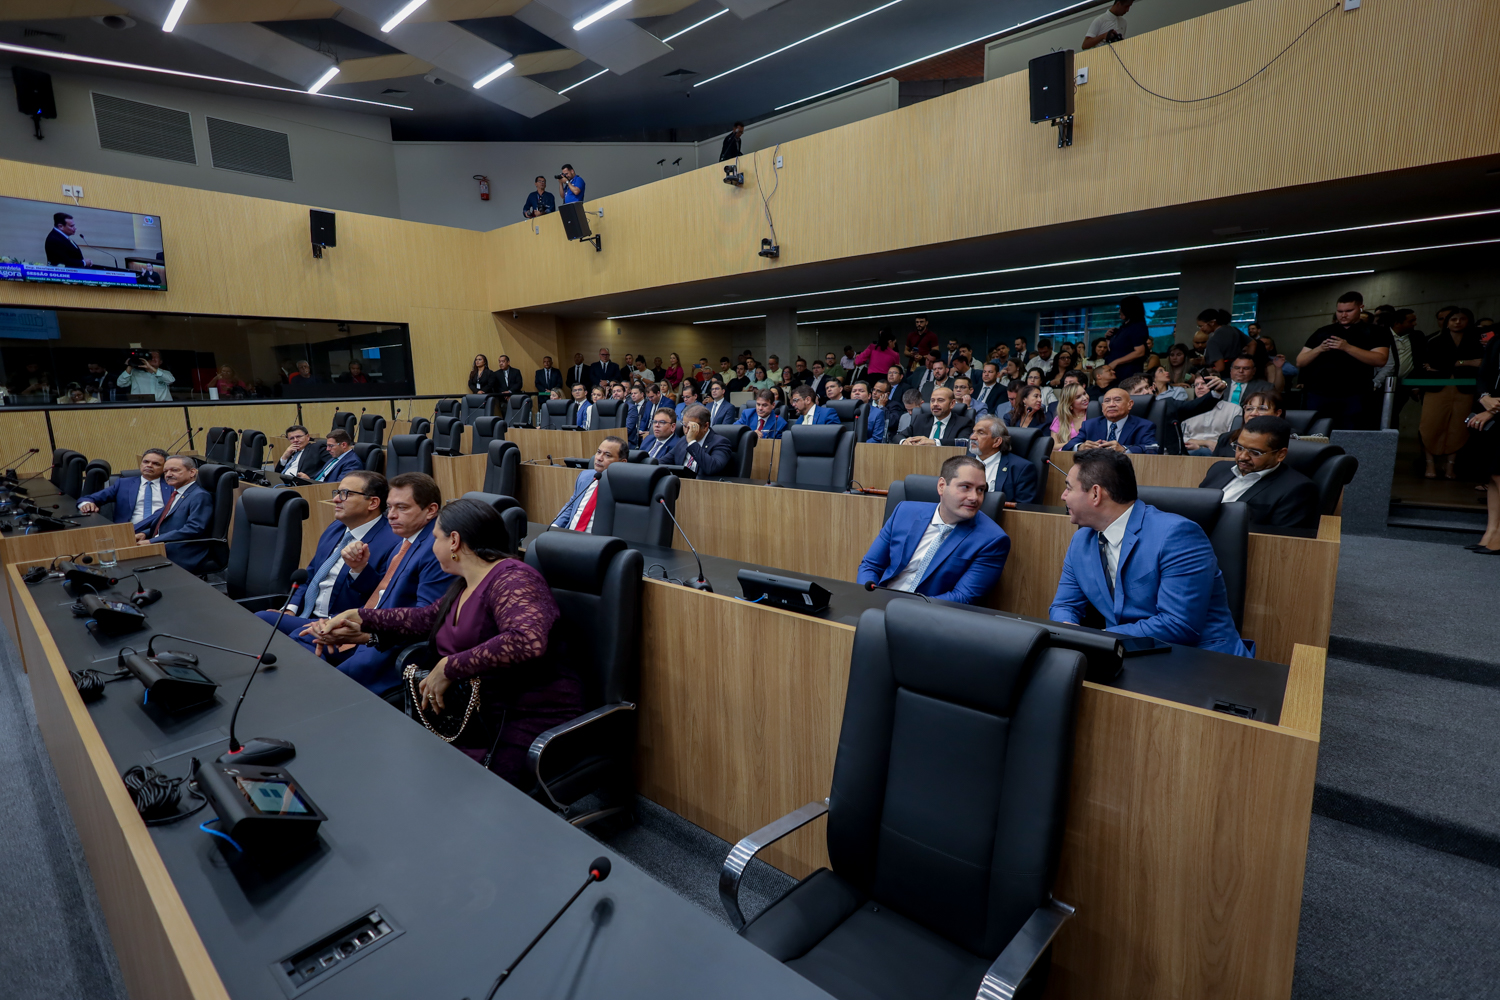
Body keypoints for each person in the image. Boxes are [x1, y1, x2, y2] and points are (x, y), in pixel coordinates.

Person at [317, 499, 583, 787]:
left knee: (474, 794)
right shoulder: (465, 583)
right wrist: (360, 618)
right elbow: (424, 619)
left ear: (454, 540)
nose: (433, 547)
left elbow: (526, 641)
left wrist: (449, 667)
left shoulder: (514, 578)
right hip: (474, 715)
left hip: (525, 717)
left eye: (436, 538)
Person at [1050, 450, 1247, 655]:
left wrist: (1098, 639)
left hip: (1199, 657)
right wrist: (1069, 630)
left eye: (1069, 488)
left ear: (1095, 494)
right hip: (1125, 653)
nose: (1063, 496)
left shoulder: (1177, 535)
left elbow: (1178, 625)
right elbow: (1064, 605)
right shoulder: (1081, 540)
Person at [298, 472, 452, 693]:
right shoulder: (406, 541)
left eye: (402, 508)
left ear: (431, 510)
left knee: (318, 683)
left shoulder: (435, 550)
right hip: (371, 633)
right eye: (390, 507)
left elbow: (426, 621)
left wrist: (365, 633)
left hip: (392, 651)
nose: (391, 515)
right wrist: (350, 622)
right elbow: (382, 595)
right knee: (297, 644)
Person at [257, 471, 399, 638]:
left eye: (346, 494)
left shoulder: (393, 542)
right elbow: (311, 574)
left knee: (270, 626)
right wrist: (290, 609)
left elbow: (382, 599)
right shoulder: (336, 527)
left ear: (373, 503)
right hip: (306, 616)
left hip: (339, 626)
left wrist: (360, 570)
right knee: (258, 621)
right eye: (337, 492)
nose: (336, 499)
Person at [858, 455, 1009, 603]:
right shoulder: (904, 512)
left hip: (930, 613)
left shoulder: (992, 540)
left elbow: (962, 597)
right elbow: (870, 566)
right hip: (881, 601)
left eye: (980, 490)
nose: (974, 497)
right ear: (942, 486)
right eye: (966, 487)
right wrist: (870, 598)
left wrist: (902, 609)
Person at [1198, 416, 1320, 529]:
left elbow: (1279, 538)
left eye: (1255, 453)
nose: (1243, 457)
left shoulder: (1297, 490)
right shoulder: (1218, 469)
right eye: (1239, 448)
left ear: (1280, 454)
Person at [1296, 291, 1389, 429]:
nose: (1343, 315)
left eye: (1349, 311)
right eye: (1339, 311)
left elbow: (1380, 359)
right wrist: (1319, 349)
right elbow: (1300, 361)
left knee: (1350, 433)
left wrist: (1347, 347)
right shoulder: (1323, 332)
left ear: (1361, 308)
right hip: (1319, 393)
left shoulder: (1374, 332)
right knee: (1317, 433)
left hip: (1355, 395)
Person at [1420, 306, 1484, 480]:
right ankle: (1430, 464)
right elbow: (1434, 364)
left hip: (1465, 389)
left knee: (1459, 427)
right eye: (1453, 319)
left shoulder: (1476, 342)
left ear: (1469, 321)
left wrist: (1456, 363)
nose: (1457, 322)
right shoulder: (1434, 341)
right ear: (1447, 322)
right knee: (1431, 425)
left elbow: (1481, 363)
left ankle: (1450, 466)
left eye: (1462, 319)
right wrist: (1466, 362)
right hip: (1437, 388)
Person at [137, 456, 215, 574]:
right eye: (165, 471)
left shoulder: (199, 496)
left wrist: (153, 541)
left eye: (175, 470)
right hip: (165, 545)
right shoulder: (177, 493)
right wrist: (145, 533)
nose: (168, 474)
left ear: (192, 472)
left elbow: (194, 528)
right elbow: (168, 523)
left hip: (183, 553)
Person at [1464, 332, 1500, 555]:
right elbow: (1484, 373)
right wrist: (1484, 396)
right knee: (1494, 475)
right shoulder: (1497, 339)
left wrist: (1492, 410)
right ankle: (1491, 532)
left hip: (1494, 411)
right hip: (1491, 409)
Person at [79, 448, 172, 530]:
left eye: (156, 464)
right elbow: (88, 498)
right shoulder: (123, 484)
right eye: (146, 462)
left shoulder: (172, 485)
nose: (149, 465)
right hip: (127, 532)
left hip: (161, 531)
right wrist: (86, 504)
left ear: (165, 468)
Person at [554, 437, 628, 531]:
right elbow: (571, 506)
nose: (599, 458)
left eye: (607, 455)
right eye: (598, 452)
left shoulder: (624, 489)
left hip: (597, 539)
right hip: (569, 534)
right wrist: (554, 526)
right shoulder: (584, 476)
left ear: (622, 462)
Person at [1062, 386, 1158, 453]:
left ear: (1130, 404)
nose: (1111, 404)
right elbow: (1067, 447)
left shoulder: (1144, 426)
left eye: (1117, 400)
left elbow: (1153, 449)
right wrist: (1080, 447)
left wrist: (1124, 449)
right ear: (1103, 407)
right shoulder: (1089, 425)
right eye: (1107, 401)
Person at [970, 415, 1038, 504]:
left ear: (997, 442)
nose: (972, 437)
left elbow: (1023, 508)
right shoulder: (961, 463)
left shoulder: (1021, 468)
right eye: (973, 432)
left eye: (981, 433)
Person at [896, 386, 973, 445]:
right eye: (932, 401)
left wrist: (935, 442)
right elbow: (898, 436)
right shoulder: (920, 420)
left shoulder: (963, 423)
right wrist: (904, 441)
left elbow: (964, 442)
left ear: (952, 403)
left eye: (940, 400)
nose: (935, 404)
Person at [677, 405, 733, 476]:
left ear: (705, 426)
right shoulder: (683, 440)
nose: (686, 432)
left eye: (692, 427)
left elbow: (712, 468)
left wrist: (692, 442)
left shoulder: (721, 442)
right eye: (685, 426)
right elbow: (665, 461)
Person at [1104, 295, 1151, 379]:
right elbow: (1114, 350)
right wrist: (1108, 338)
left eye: (1122, 308)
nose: (1119, 311)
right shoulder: (1124, 327)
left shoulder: (1137, 327)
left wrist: (1116, 362)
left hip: (1127, 373)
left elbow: (1140, 352)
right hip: (1115, 372)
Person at [1199, 309, 1246, 374]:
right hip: (1237, 372)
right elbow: (1252, 343)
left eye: (1201, 326)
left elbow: (1220, 367)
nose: (1201, 329)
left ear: (1212, 323)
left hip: (1223, 375)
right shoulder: (1233, 330)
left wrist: (1202, 376)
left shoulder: (1213, 340)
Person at [1052, 382, 1091, 450]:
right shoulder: (1060, 419)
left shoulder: (1095, 414)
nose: (1085, 398)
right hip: (1067, 455)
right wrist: (1078, 445)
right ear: (1070, 404)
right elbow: (1054, 446)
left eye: (1084, 393)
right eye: (1078, 397)